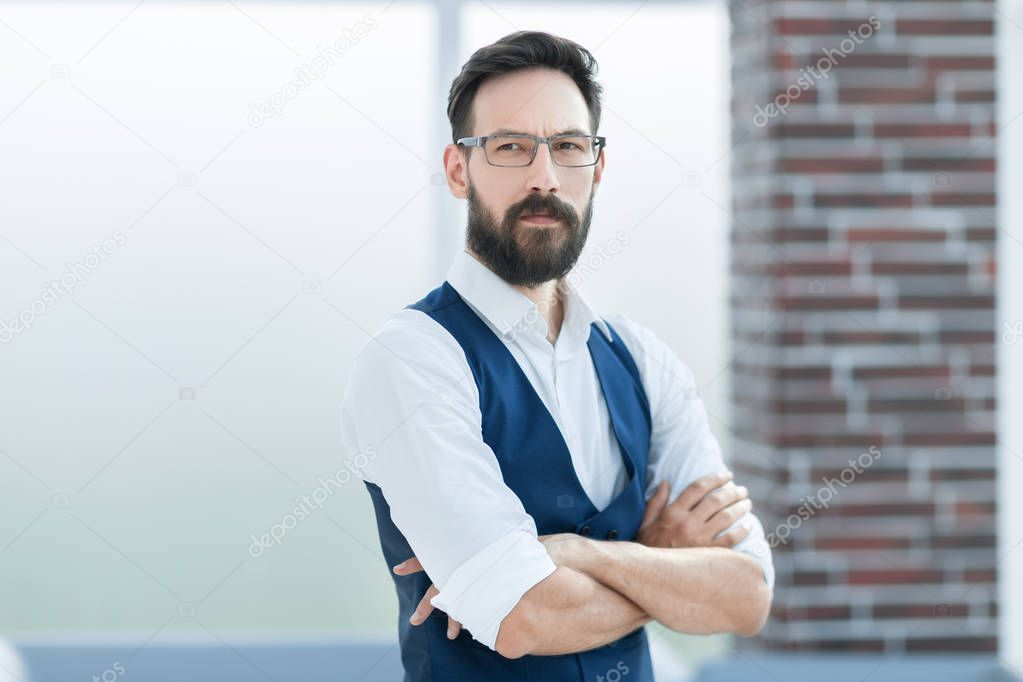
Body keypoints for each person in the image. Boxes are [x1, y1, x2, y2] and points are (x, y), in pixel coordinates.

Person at [340, 29, 773, 682]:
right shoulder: (413, 359)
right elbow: (526, 619)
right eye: (510, 147)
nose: (544, 177)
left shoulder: (640, 359)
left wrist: (577, 554)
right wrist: (659, 561)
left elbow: (745, 598)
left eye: (568, 146)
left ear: (596, 167)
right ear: (458, 170)